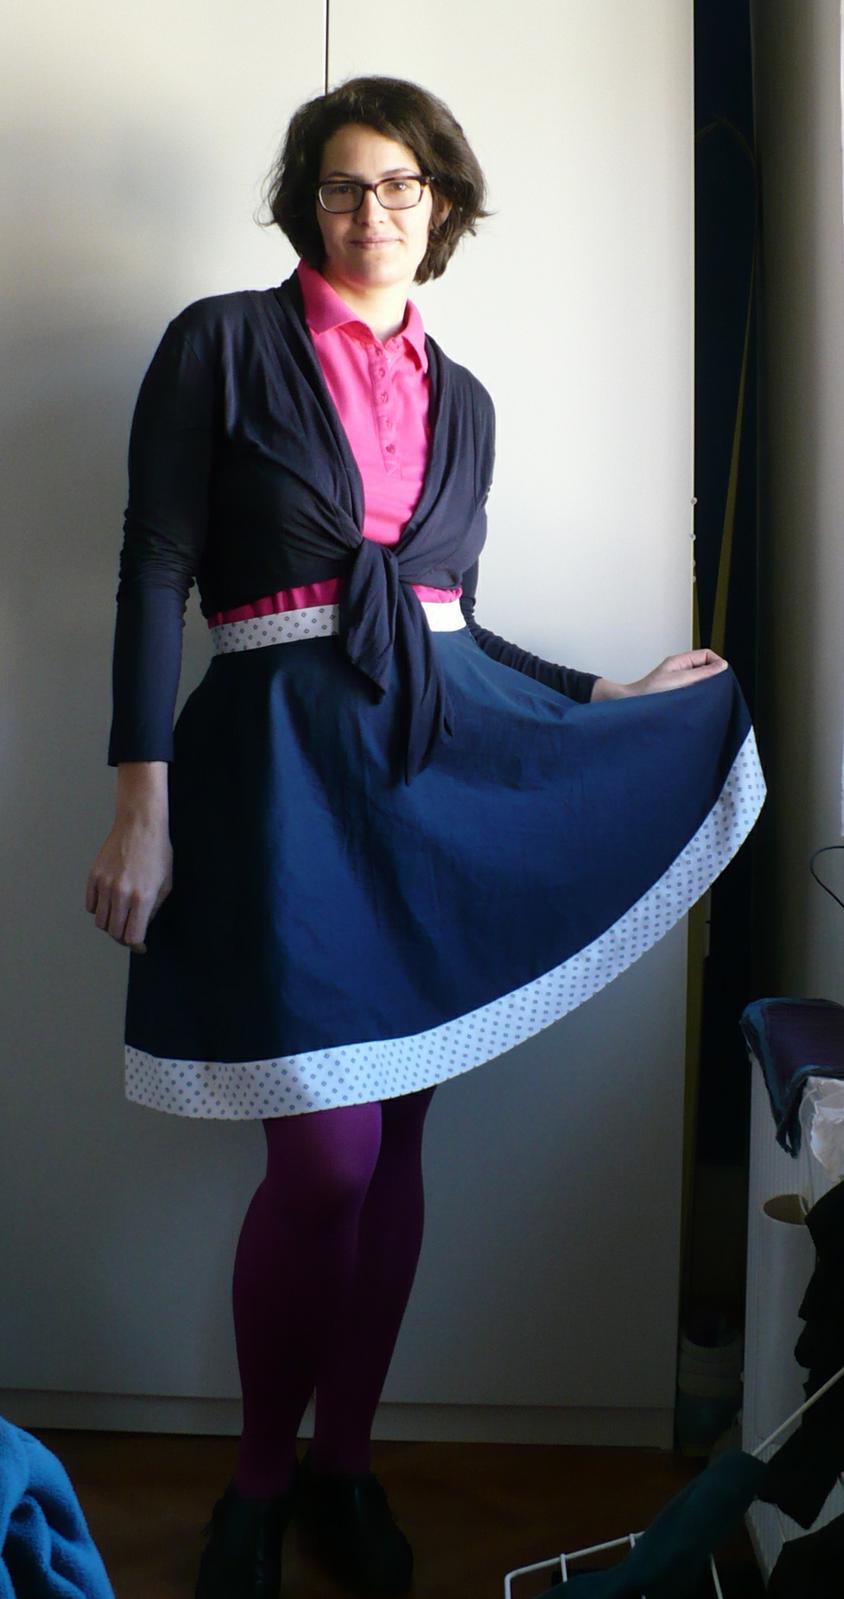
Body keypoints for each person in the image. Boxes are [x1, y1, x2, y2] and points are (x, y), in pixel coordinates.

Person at [85, 75, 764, 1599]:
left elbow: (446, 629)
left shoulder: (468, 403)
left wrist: (602, 696)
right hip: (272, 791)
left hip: (423, 794)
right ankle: (259, 1484)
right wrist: (141, 796)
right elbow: (154, 566)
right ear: (304, 204)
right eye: (342, 185)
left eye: (401, 184)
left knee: (396, 1141)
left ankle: (346, 1468)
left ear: (441, 205)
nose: (372, 210)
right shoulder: (220, 344)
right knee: (323, 1160)